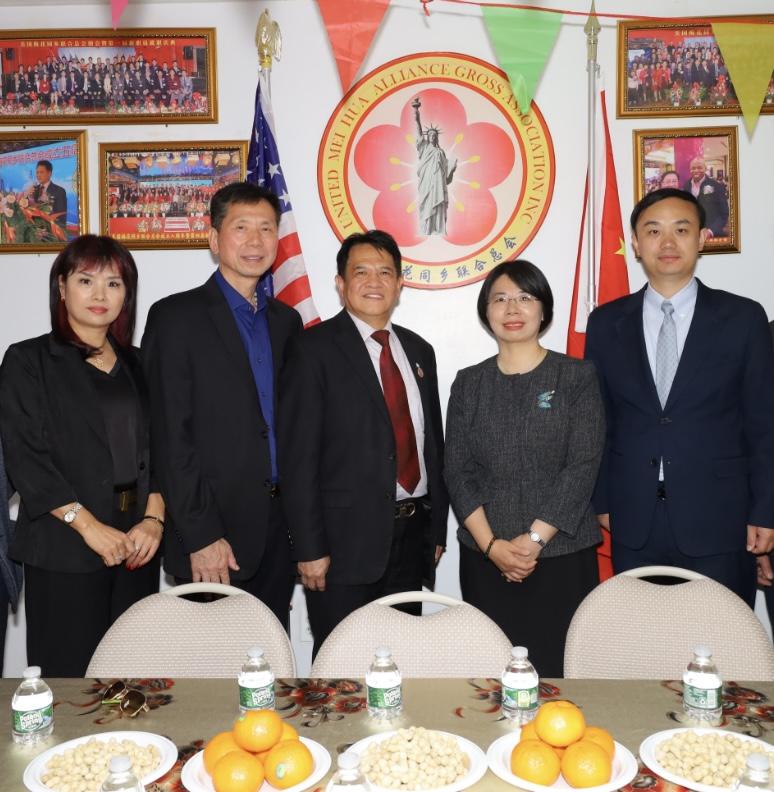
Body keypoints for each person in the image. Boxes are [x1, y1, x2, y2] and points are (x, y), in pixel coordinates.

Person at [585, 188, 774, 607]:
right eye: (653, 231)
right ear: (636, 243)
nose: (667, 243)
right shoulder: (605, 323)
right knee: (645, 637)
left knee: (723, 639)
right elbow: (600, 422)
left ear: (703, 238)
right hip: (633, 517)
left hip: (721, 517)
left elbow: (763, 423)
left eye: (681, 230)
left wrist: (765, 510)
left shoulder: (743, 318)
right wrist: (603, 500)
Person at [278, 229, 449, 656]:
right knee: (342, 663)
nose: (374, 282)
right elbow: (298, 458)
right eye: (361, 272)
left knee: (401, 658)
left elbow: (433, 445)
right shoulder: (312, 350)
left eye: (385, 272)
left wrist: (435, 529)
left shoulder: (419, 351)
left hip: (412, 538)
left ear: (400, 283)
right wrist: (309, 547)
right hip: (342, 546)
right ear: (340, 283)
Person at [0, 235, 163, 676]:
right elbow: (25, 457)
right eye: (86, 280)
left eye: (113, 283)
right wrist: (88, 527)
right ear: (61, 287)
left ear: (126, 294)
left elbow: (162, 449)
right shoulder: (28, 360)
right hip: (64, 545)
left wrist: (154, 519)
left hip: (137, 545)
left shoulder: (140, 363)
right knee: (70, 682)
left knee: (134, 680)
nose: (99, 294)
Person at [142, 182, 301, 629]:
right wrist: (201, 534)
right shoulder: (176, 318)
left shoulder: (287, 323)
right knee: (211, 664)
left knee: (270, 657)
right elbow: (169, 436)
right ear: (214, 239)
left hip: (278, 531)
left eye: (266, 228)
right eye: (241, 227)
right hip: (213, 535)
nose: (255, 241)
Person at [444, 260, 604, 677]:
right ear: (486, 311)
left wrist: (533, 540)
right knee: (492, 679)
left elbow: (582, 464)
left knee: (561, 677)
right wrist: (492, 547)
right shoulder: (469, 383)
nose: (512, 309)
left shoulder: (576, 376)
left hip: (562, 555)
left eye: (524, 297)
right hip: (485, 561)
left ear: (543, 309)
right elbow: (457, 471)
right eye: (500, 299)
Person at [412, 96, 457, 236]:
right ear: (428, 137)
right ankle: (426, 229)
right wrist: (416, 111)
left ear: (436, 137)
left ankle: (438, 228)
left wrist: (452, 169)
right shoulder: (424, 147)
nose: (432, 136)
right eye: (430, 135)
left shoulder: (441, 152)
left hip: (439, 183)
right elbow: (418, 129)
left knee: (438, 205)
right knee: (426, 204)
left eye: (434, 135)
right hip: (427, 182)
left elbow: (446, 178)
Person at [682, 157, 728, 238]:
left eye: (699, 167)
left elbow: (724, 214)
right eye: (693, 168)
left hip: (712, 234)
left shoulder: (716, 186)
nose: (696, 170)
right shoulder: (686, 186)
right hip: (693, 234)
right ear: (690, 170)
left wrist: (710, 231)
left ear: (705, 168)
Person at [30, 160, 68, 229]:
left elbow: (61, 217)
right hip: (34, 231)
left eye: (41, 172)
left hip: (50, 231)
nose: (38, 175)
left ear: (49, 173)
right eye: (37, 172)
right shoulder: (33, 190)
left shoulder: (59, 191)